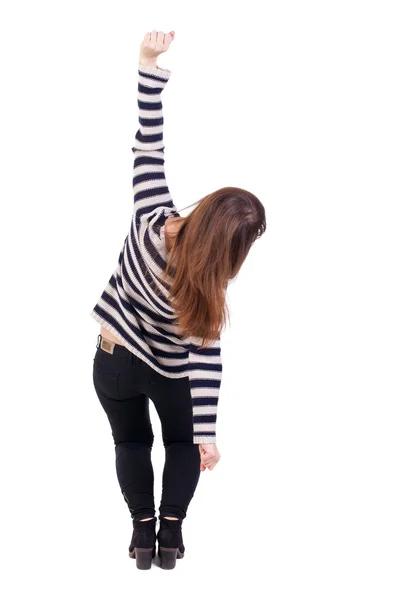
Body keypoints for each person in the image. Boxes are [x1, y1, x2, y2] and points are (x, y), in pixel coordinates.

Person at [90, 30, 266, 570]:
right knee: (183, 446)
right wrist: (208, 433)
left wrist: (148, 63)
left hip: (115, 359)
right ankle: (172, 535)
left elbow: (149, 144)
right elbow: (205, 361)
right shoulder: (207, 292)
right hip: (171, 374)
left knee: (130, 445)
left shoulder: (151, 217)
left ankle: (141, 532)